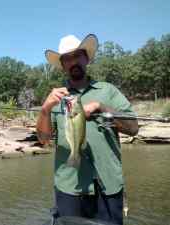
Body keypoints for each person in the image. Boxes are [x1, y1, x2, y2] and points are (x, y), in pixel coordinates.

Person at [36, 34, 139, 225]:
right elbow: (43, 140)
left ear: (86, 59)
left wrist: (102, 107)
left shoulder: (108, 91)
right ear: (63, 65)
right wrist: (45, 109)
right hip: (69, 187)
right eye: (67, 58)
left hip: (108, 186)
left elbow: (134, 129)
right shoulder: (56, 98)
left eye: (77, 55)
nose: (73, 61)